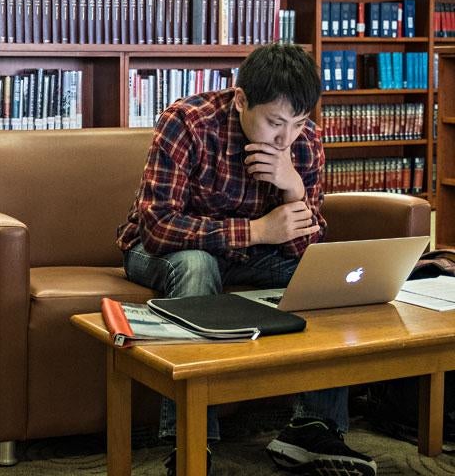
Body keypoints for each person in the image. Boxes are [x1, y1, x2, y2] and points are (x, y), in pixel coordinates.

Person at [116, 43, 377, 476]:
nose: (285, 138)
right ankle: (192, 439)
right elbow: (158, 227)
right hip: (159, 252)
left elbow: (305, 249)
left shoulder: (304, 141)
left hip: (254, 256)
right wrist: (258, 231)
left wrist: (292, 188)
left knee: (322, 278)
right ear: (241, 100)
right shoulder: (188, 122)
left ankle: (312, 427)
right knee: (199, 265)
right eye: (275, 123)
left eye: (298, 123)